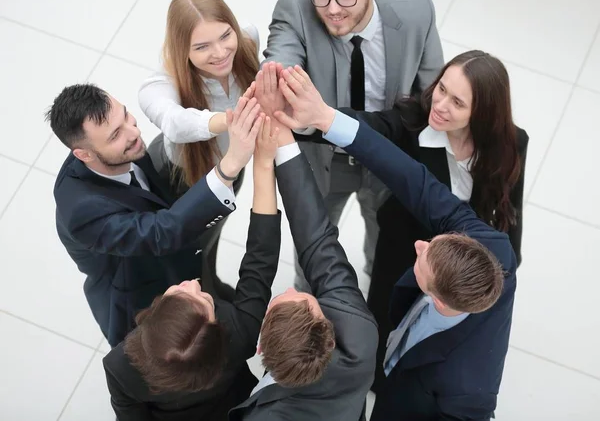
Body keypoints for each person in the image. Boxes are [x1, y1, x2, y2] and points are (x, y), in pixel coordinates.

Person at [273, 65, 519, 420]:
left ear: (435, 298)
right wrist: (325, 118)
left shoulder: (464, 389)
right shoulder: (492, 245)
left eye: (424, 260)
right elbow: (412, 178)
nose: (420, 246)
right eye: (435, 242)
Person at [263, 0, 444, 291]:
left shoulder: (417, 12)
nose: (331, 7)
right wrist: (276, 83)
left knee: (389, 244)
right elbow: (280, 64)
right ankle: (310, 308)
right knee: (312, 252)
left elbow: (430, 97)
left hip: (388, 156)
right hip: (323, 159)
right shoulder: (295, 11)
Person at [354, 50, 528, 391]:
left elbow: (511, 209)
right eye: (441, 88)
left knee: (444, 321)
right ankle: (377, 376)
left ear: (482, 115)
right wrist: (313, 119)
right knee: (385, 310)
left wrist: (511, 262)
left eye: (457, 102)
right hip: (403, 241)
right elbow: (366, 128)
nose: (440, 104)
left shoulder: (512, 142)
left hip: (461, 253)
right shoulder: (412, 120)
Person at [46, 83, 262, 347]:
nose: (134, 132)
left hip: (180, 266)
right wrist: (231, 164)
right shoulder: (83, 211)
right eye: (115, 135)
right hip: (139, 293)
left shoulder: (118, 150)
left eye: (125, 115)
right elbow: (161, 231)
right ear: (84, 155)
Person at [103, 116, 282, 421]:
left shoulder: (120, 367)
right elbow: (260, 260)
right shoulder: (240, 335)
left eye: (180, 295)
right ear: (218, 337)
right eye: (206, 301)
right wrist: (264, 163)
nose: (195, 284)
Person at [229, 71, 377, 421]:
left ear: (260, 347)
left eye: (282, 297)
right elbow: (318, 243)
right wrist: (281, 136)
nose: (293, 288)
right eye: (305, 295)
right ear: (328, 333)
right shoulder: (357, 338)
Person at [139, 0, 260, 300]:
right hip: (180, 178)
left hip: (229, 165)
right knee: (187, 248)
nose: (220, 53)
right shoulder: (160, 83)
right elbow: (176, 124)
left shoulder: (247, 40)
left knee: (209, 239)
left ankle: (209, 282)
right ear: (183, 50)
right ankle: (198, 294)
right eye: (202, 46)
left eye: (224, 36)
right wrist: (230, 120)